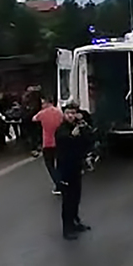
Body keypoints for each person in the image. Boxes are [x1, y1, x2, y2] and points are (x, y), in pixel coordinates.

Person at [55, 101, 92, 240]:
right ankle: (67, 228)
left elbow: (88, 140)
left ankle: (75, 221)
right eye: (68, 113)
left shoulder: (78, 126)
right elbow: (63, 142)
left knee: (76, 197)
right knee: (68, 200)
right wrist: (72, 136)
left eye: (73, 113)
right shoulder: (62, 129)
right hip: (66, 169)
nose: (70, 116)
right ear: (64, 114)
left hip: (77, 167)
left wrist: (84, 127)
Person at [33, 99, 64, 195]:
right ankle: (63, 179)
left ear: (47, 103)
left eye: (43, 103)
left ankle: (58, 185)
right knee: (59, 163)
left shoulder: (42, 113)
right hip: (59, 141)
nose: (42, 105)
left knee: (50, 165)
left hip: (48, 143)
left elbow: (34, 119)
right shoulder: (59, 112)